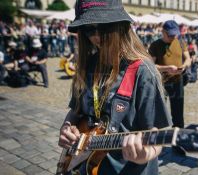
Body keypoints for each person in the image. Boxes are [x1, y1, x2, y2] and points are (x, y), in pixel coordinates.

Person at [58, 0, 172, 175]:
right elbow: (76, 110)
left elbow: (159, 132)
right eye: (89, 29)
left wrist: (146, 153)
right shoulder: (88, 65)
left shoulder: (144, 72)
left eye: (103, 27)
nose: (96, 36)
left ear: (120, 26)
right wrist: (66, 126)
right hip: (84, 165)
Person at [148, 20, 191, 129]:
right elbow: (150, 66)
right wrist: (167, 68)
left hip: (178, 82)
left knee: (178, 113)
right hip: (161, 83)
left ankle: (178, 138)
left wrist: (184, 66)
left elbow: (188, 59)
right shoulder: (155, 45)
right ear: (163, 32)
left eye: (174, 34)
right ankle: (156, 139)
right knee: (159, 114)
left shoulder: (181, 42)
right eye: (170, 35)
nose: (173, 37)